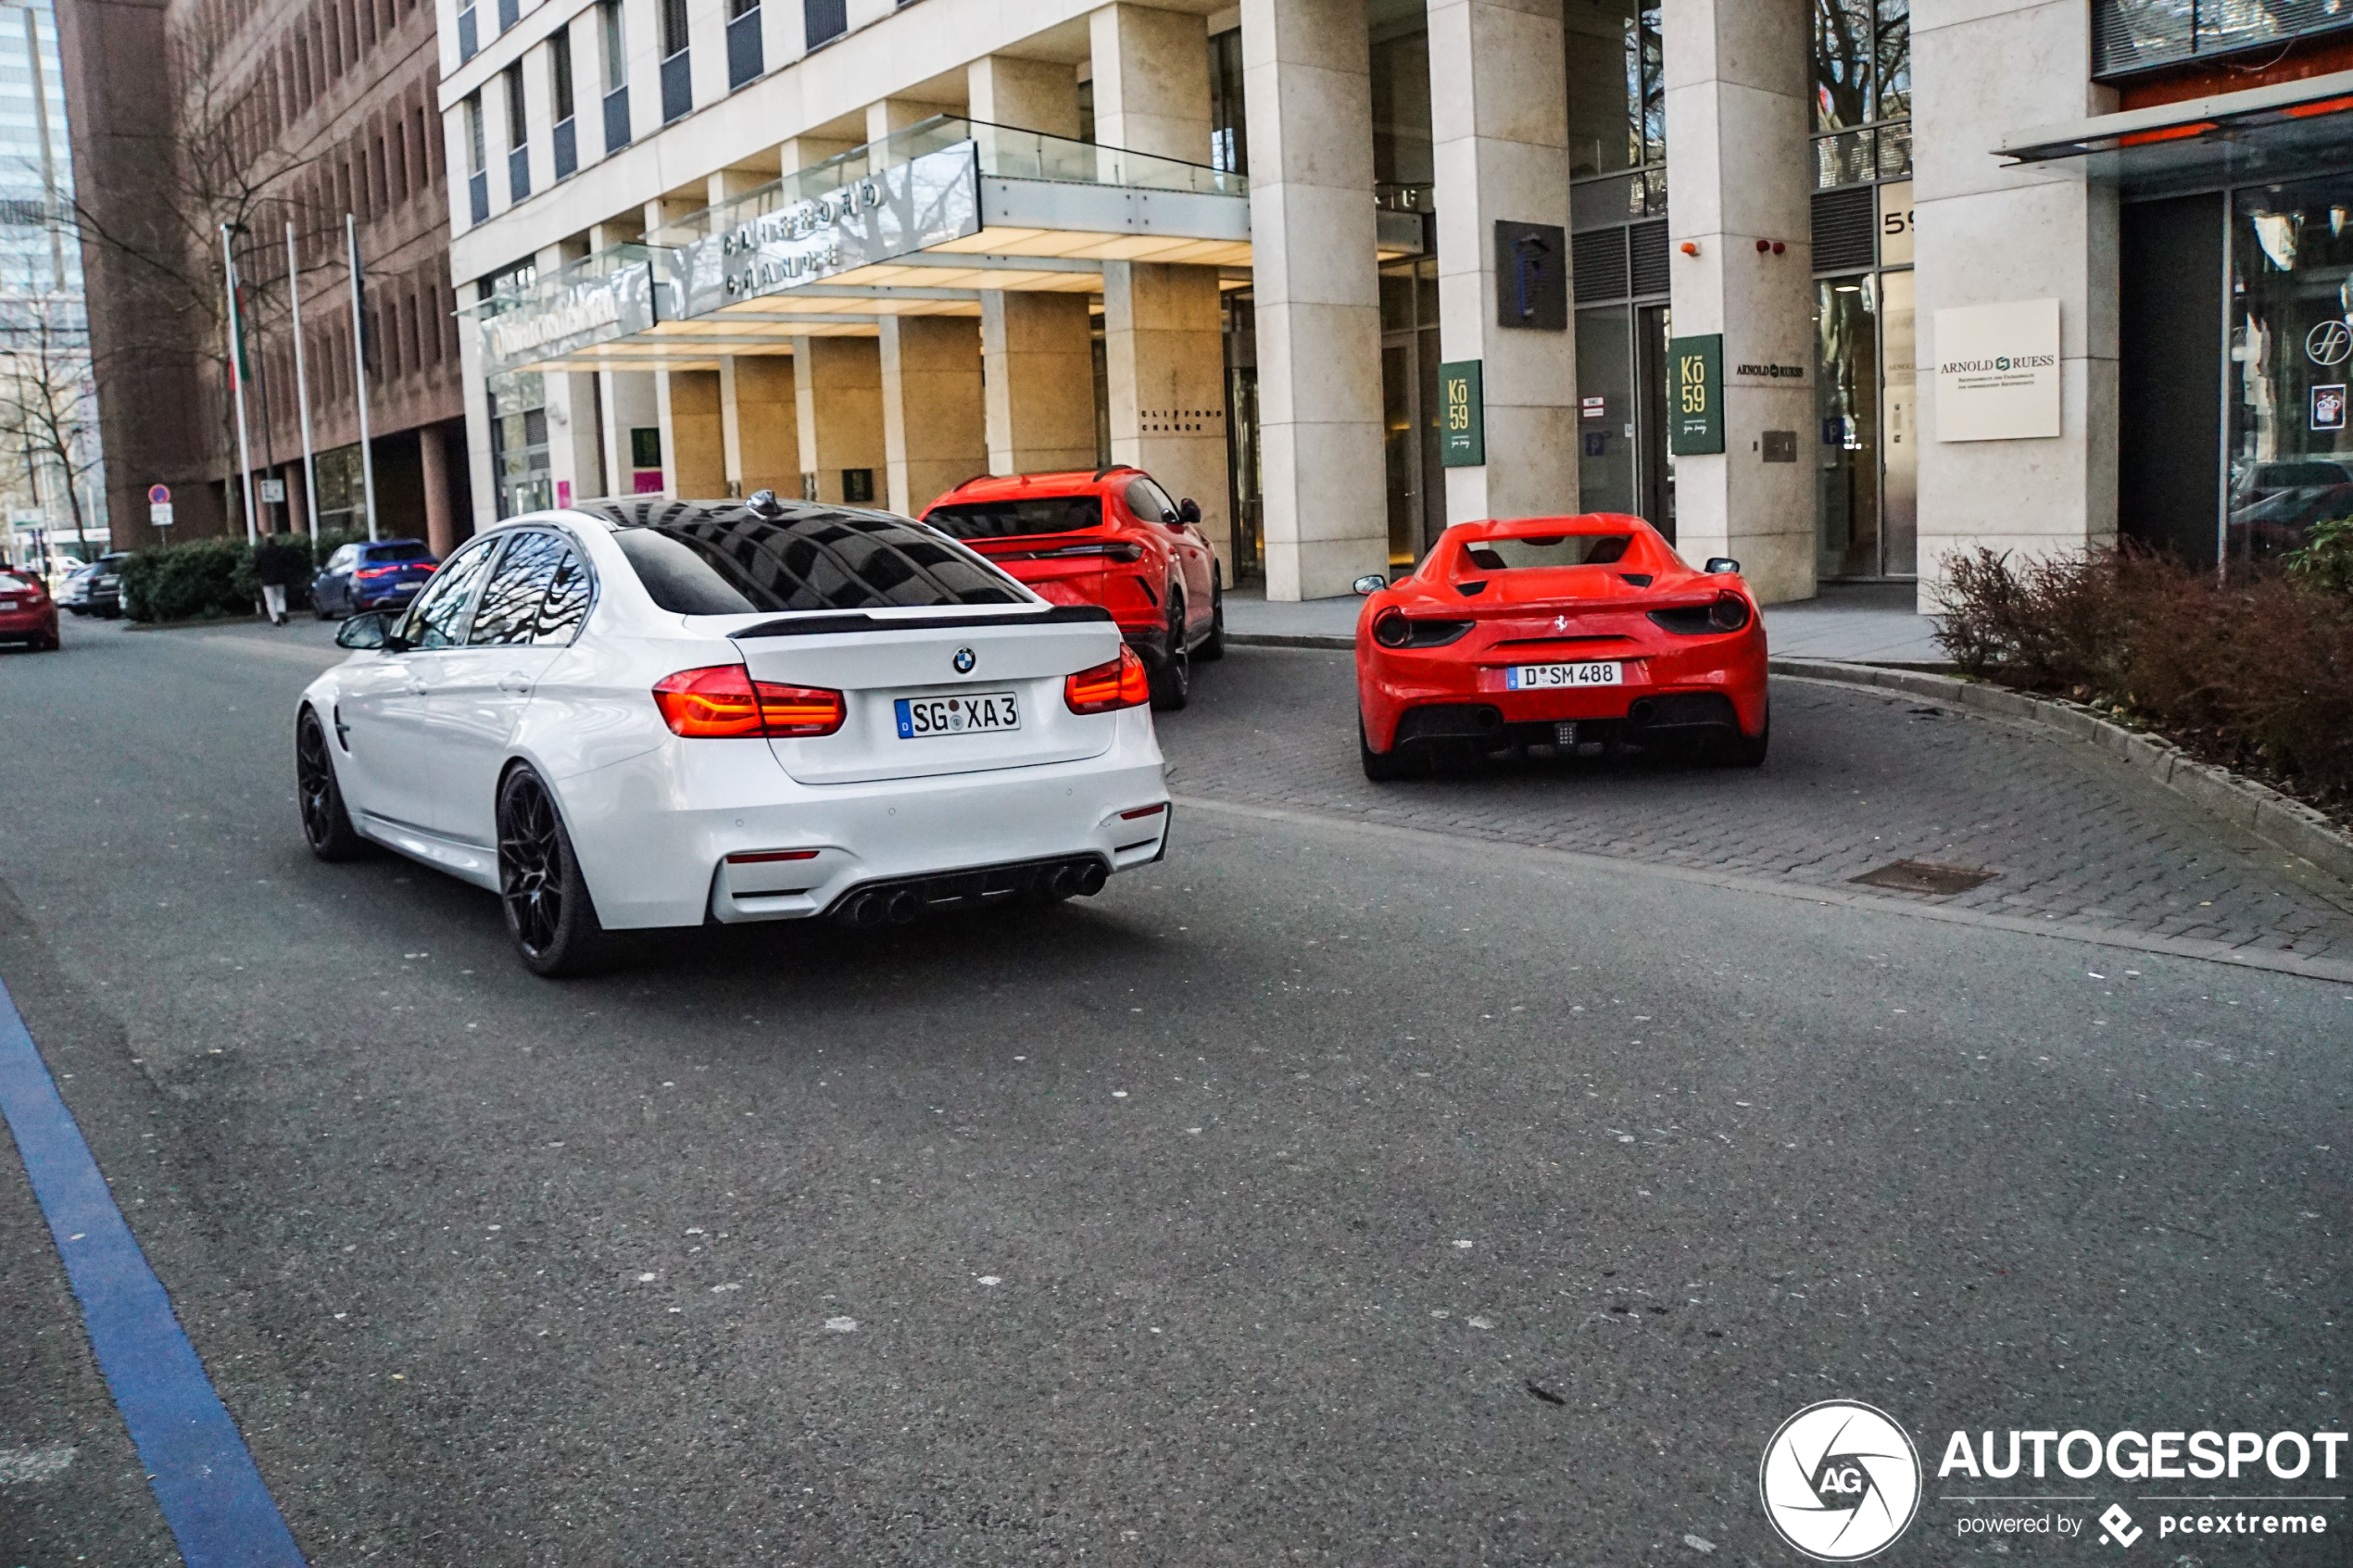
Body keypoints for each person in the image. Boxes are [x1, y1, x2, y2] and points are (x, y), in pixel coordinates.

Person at [253, 533, 307, 626]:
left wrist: (259, 574)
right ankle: (281, 610)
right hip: (280, 578)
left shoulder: (261, 552)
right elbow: (287, 562)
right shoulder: (281, 550)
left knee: (270, 600)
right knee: (280, 597)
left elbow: (257, 566)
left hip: (266, 580)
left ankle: (275, 619)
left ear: (265, 541)